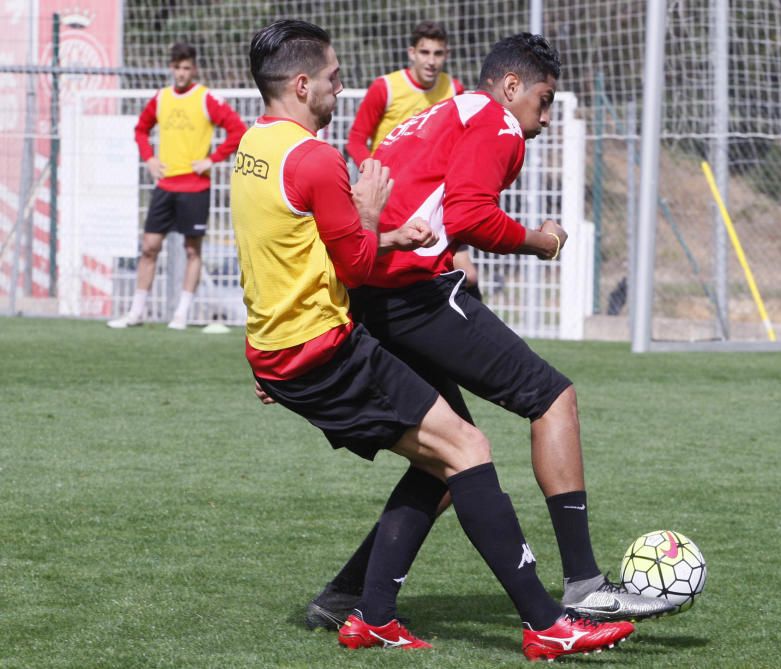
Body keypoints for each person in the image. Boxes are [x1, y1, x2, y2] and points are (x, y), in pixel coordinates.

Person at [233, 19, 634, 660]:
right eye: (335, 79)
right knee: (516, 420)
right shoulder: (335, 155)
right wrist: (542, 240)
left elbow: (280, 252)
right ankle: (562, 608)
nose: (343, 88)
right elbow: (423, 233)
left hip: (304, 337)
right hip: (347, 333)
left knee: (445, 462)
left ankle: (363, 607)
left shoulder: (253, 147)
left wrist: (269, 346)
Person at [109, 43, 246, 330]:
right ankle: (136, 312)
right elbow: (141, 129)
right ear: (170, 68)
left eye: (186, 68)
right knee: (149, 246)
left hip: (195, 187)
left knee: (192, 250)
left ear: (193, 69)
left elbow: (237, 130)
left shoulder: (206, 98)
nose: (181, 73)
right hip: (165, 185)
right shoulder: (161, 99)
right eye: (177, 67)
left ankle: (181, 314)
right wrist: (149, 158)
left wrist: (213, 159)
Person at [345, 20, 482, 300]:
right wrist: (371, 170)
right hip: (389, 198)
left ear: (447, 55)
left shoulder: (454, 89)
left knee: (466, 273)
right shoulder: (386, 88)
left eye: (438, 53)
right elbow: (356, 139)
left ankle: (475, 336)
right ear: (411, 53)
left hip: (433, 198)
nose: (431, 61)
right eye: (424, 52)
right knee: (381, 268)